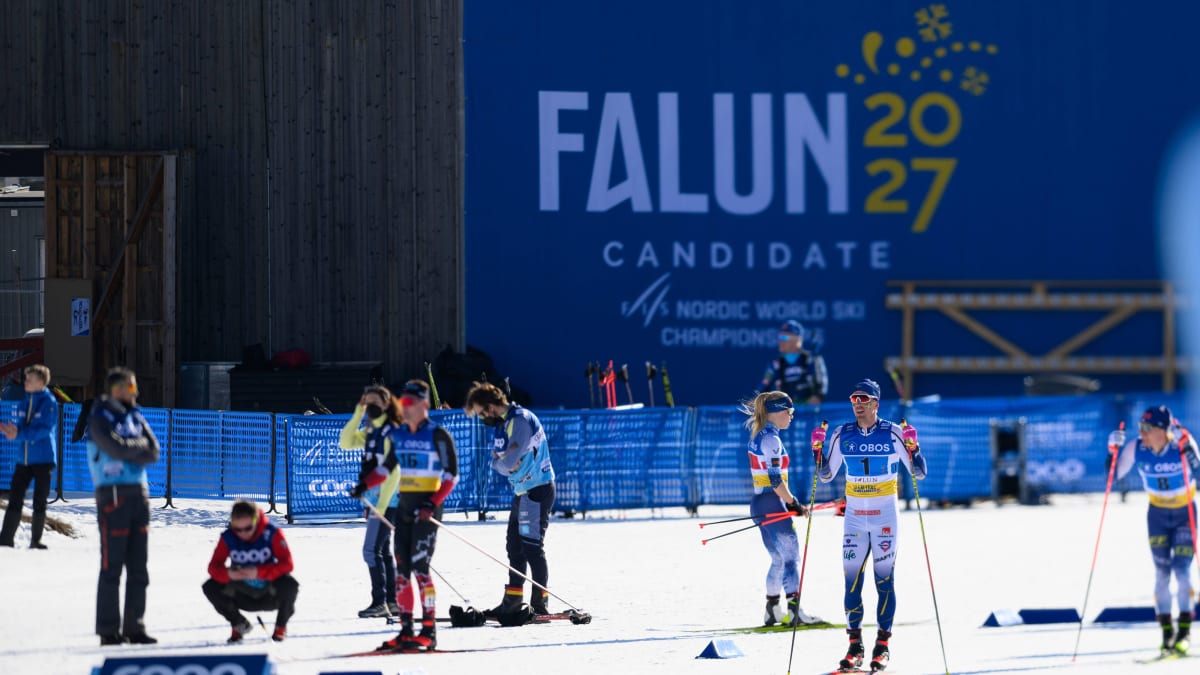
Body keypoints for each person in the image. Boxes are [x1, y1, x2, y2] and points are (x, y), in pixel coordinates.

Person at [812, 378, 927, 672]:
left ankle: (883, 646)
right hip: (854, 519)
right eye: (854, 399)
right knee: (851, 584)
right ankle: (855, 647)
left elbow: (919, 473)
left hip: (885, 517)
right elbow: (826, 475)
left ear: (876, 403)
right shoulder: (842, 433)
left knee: (884, 581)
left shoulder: (893, 432)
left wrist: (914, 448)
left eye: (864, 399)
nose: (858, 404)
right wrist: (818, 452)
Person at [353, 379, 458, 652]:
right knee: (402, 572)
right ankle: (406, 630)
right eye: (403, 403)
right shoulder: (399, 435)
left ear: (423, 405)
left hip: (427, 510)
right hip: (405, 509)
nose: (406, 408)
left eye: (410, 404)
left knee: (421, 570)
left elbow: (450, 476)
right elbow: (386, 469)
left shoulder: (438, 435)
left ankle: (429, 631)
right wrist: (365, 485)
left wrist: (432, 503)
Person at [1108, 405, 1200, 655]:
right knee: (1161, 574)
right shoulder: (1136, 448)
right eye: (1140, 428)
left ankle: (1184, 632)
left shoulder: (1181, 444)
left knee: (1181, 571)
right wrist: (1112, 452)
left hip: (1184, 514)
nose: (1143, 434)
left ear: (1163, 430)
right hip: (1157, 514)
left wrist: (1188, 448)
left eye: (1148, 429)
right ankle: (1167, 634)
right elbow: (1113, 476)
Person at [464, 381, 557, 619]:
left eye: (482, 411)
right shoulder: (506, 422)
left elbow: (508, 462)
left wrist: (497, 462)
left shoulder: (520, 420)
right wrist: (502, 461)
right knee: (514, 547)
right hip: (523, 491)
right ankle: (513, 600)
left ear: (490, 405)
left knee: (532, 547)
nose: (483, 417)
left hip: (536, 490)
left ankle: (539, 604)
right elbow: (507, 462)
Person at [86, 367, 160, 646]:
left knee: (139, 567)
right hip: (112, 494)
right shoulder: (100, 415)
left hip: (138, 494)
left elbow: (153, 451)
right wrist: (135, 449)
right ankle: (108, 630)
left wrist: (134, 447)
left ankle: (135, 627)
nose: (136, 392)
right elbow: (113, 447)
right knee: (112, 566)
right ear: (117, 389)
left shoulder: (136, 415)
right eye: (131, 388)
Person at [739, 390, 821, 627]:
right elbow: (775, 480)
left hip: (761, 503)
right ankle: (795, 611)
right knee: (791, 557)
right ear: (776, 412)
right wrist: (792, 502)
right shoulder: (771, 439)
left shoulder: (761, 435)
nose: (792, 416)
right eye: (789, 411)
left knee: (777, 558)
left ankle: (773, 609)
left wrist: (789, 503)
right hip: (771, 502)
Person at [339, 385, 403, 618]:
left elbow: (393, 472)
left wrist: (383, 508)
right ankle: (391, 601)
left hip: (388, 502)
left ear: (386, 404)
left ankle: (380, 602)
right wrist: (358, 412)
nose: (371, 408)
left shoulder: (390, 431)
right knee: (382, 551)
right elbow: (345, 442)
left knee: (370, 550)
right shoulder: (371, 431)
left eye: (375, 403)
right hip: (374, 500)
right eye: (368, 403)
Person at [202, 499, 299, 643]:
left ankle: (280, 627)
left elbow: (287, 564)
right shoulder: (228, 537)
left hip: (269, 592)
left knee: (290, 584)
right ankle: (239, 624)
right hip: (242, 592)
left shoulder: (272, 533)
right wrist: (229, 574)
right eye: (238, 529)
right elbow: (213, 567)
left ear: (256, 520)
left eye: (248, 528)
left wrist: (260, 572)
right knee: (210, 586)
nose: (243, 533)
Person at [0, 364, 58, 549]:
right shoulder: (24, 401)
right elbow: (21, 429)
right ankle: (5, 539)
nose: (25, 382)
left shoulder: (49, 402)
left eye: (29, 379)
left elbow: (43, 430)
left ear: (41, 382)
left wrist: (18, 433)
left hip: (43, 460)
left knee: (39, 501)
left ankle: (36, 540)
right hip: (23, 459)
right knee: (15, 499)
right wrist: (12, 431)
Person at [758, 320, 828, 405]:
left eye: (784, 338)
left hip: (809, 412)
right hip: (784, 412)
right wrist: (757, 402)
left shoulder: (811, 359)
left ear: (798, 340)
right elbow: (764, 387)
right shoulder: (776, 363)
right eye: (779, 337)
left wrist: (817, 396)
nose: (780, 341)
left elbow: (821, 384)